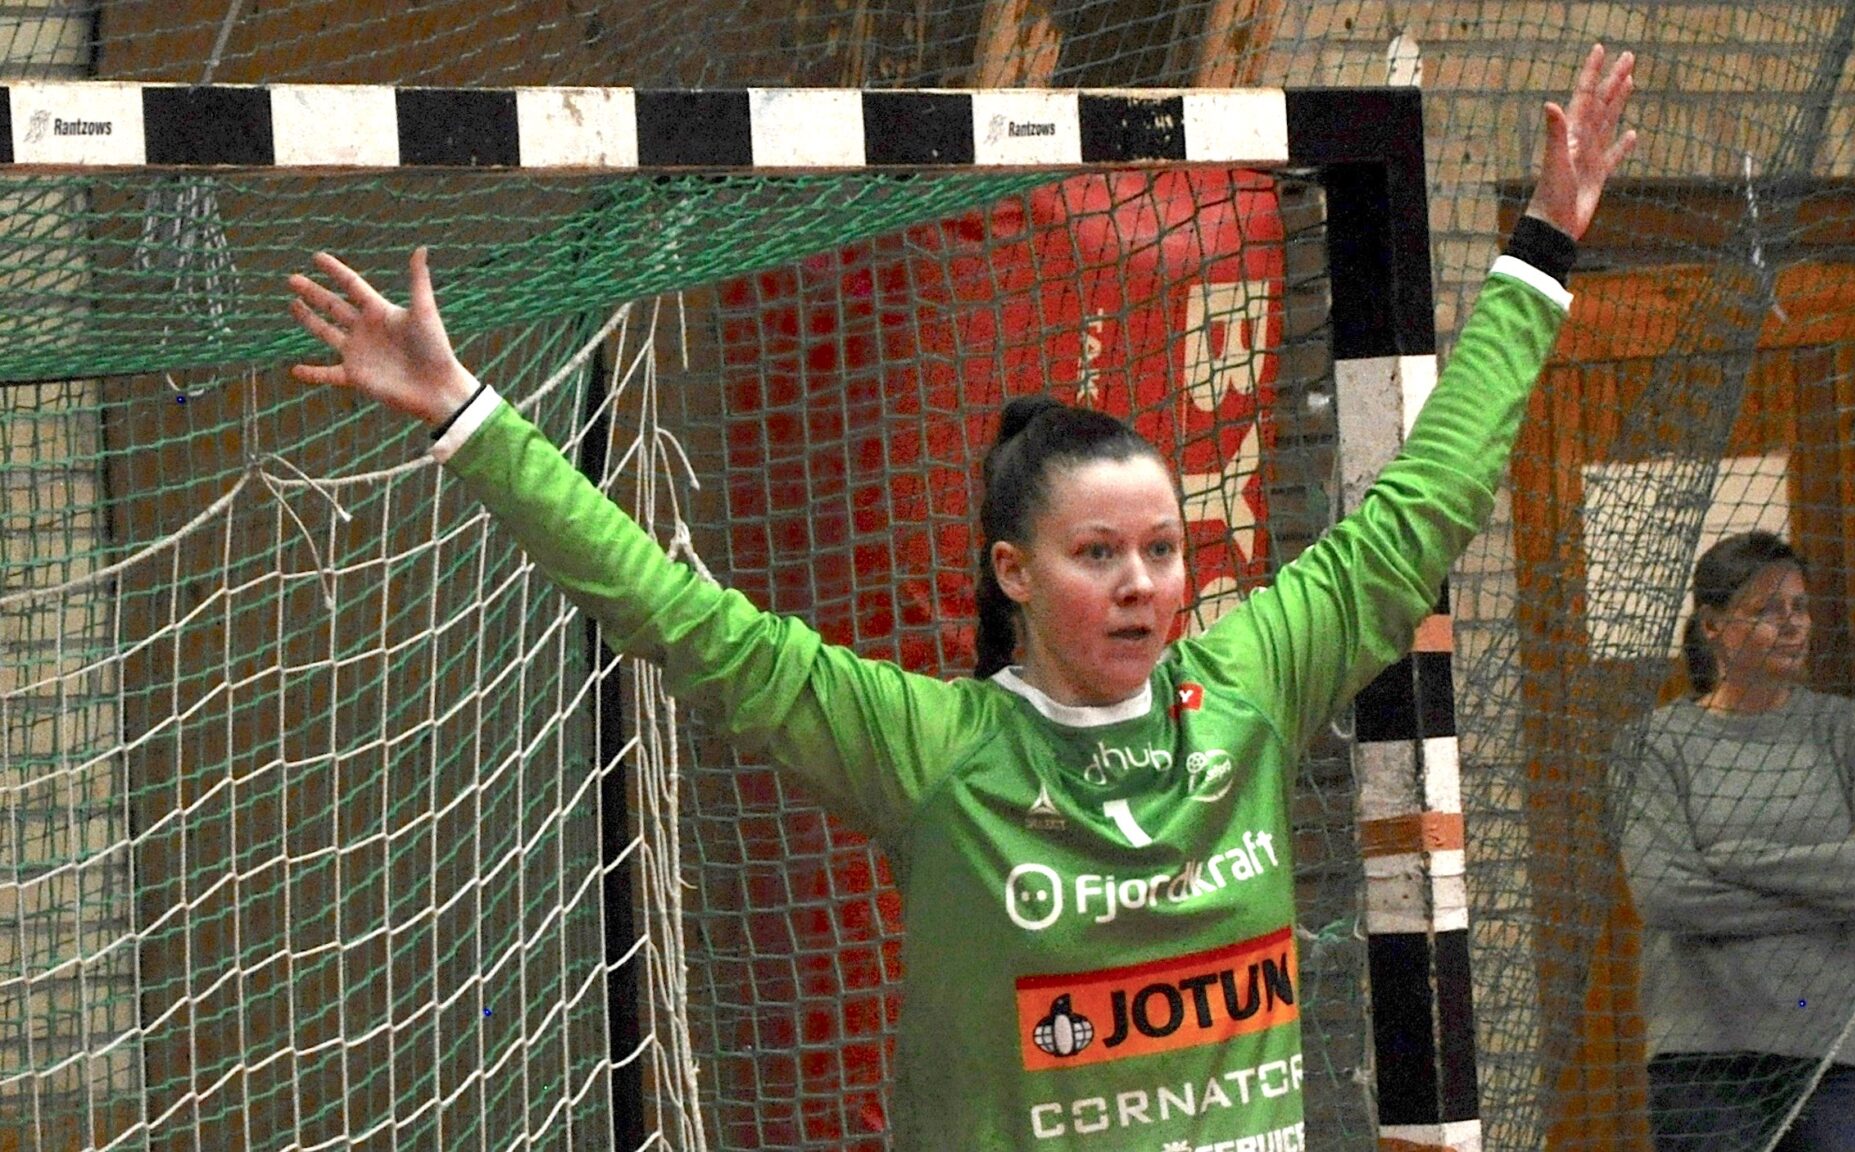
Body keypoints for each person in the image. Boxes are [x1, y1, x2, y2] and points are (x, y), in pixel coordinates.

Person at [287, 45, 1635, 1151]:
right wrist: (467, 416)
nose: (1141, 584)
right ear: (1011, 573)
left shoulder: (1249, 687)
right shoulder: (934, 753)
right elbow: (678, 619)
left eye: (1162, 550)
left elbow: (1419, 510)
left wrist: (1539, 251)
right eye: (1096, 554)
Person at [1611, 530, 1855, 1152]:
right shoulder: (1653, 745)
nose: (1792, 625)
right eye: (1767, 610)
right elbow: (1667, 897)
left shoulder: (1852, 731)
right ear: (1713, 626)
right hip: (1702, 1053)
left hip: (1831, 1043)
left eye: (1800, 607)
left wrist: (1734, 861)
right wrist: (1835, 885)